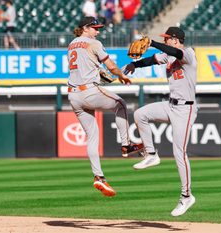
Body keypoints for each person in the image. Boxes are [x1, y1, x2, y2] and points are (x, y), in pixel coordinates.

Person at [122, 27, 198, 216]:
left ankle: (186, 196)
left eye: (167, 39)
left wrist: (153, 43)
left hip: (185, 109)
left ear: (175, 39)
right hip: (171, 105)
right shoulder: (169, 57)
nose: (165, 41)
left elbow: (176, 52)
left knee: (179, 152)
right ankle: (151, 154)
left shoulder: (187, 53)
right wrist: (135, 65)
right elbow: (153, 60)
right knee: (140, 114)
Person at [67, 16, 144, 197]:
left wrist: (100, 75)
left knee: (92, 136)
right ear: (85, 28)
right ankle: (126, 145)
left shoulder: (72, 44)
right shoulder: (94, 43)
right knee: (121, 105)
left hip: (73, 95)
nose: (98, 31)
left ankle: (99, 177)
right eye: (95, 28)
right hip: (89, 92)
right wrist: (121, 76)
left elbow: (87, 66)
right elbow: (111, 66)